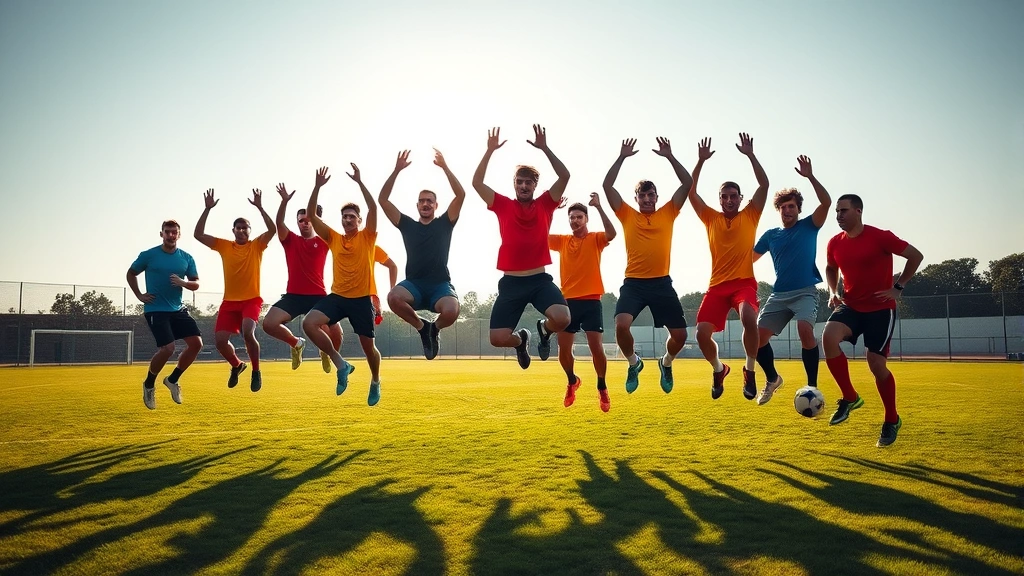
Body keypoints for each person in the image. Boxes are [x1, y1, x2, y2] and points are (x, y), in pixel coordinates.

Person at [823, 194, 923, 447]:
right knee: (828, 337)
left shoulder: (880, 236)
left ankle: (891, 419)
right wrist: (833, 292)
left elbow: (916, 256)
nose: (838, 216)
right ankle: (850, 397)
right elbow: (830, 268)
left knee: (876, 366)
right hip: (852, 306)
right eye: (836, 212)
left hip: (881, 309)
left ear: (858, 211)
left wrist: (898, 287)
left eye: (843, 211)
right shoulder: (835, 242)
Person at [471, 125, 570, 369]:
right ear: (514, 184)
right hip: (511, 283)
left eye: (528, 182)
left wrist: (545, 148)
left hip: (538, 281)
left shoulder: (546, 204)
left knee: (562, 318)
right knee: (497, 339)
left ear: (535, 185)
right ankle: (520, 341)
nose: (524, 186)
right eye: (519, 182)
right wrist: (489, 151)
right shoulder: (502, 205)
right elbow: (476, 182)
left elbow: (565, 176)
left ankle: (544, 330)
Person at [602, 137, 692, 394]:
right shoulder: (627, 214)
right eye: (642, 195)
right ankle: (634, 363)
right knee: (621, 325)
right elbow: (607, 185)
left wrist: (670, 157)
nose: (647, 199)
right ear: (637, 198)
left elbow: (687, 183)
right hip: (634, 284)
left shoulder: (668, 212)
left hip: (662, 283)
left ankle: (666, 363)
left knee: (681, 337)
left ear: (656, 197)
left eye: (651, 195)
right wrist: (621, 157)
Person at [688, 134, 769, 401]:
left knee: (748, 317)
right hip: (717, 287)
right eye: (724, 196)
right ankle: (719, 369)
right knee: (700, 334)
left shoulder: (751, 214)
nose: (729, 200)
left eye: (734, 196)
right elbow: (690, 191)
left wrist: (750, 155)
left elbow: (764, 184)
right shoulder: (710, 217)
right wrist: (700, 161)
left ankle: (749, 371)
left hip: (744, 282)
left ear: (740, 198)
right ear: (720, 199)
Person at [750, 155, 832, 405]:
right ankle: (773, 379)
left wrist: (810, 176)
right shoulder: (770, 235)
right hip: (779, 295)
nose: (787, 210)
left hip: (806, 291)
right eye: (783, 207)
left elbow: (826, 202)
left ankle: (812, 389)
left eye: (792, 207)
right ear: (779, 210)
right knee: (756, 339)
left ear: (798, 209)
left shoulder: (810, 225)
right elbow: (747, 261)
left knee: (805, 331)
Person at [301, 165, 385, 406]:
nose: (347, 220)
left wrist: (360, 182)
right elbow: (311, 214)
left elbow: (373, 208)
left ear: (359, 221)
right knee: (309, 323)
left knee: (369, 349)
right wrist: (317, 186)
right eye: (344, 217)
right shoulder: (333, 238)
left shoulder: (367, 237)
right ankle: (341, 364)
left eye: (352, 217)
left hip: (361, 300)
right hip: (337, 297)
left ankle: (376, 380)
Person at [379, 148, 465, 360]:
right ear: (417, 205)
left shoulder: (445, 223)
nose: (425, 204)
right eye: (422, 201)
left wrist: (445, 167)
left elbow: (461, 195)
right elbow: (383, 200)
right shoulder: (407, 224)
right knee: (393, 297)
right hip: (414, 285)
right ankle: (422, 328)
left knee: (452, 311)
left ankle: (434, 329)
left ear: (436, 205)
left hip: (440, 285)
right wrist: (397, 170)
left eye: (430, 201)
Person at [194, 188, 275, 392]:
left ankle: (256, 372)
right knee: (220, 342)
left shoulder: (257, 246)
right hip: (229, 302)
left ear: (249, 230)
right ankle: (237, 365)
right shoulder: (224, 246)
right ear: (233, 231)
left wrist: (260, 207)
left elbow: (272, 230)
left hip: (251, 300)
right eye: (237, 228)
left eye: (244, 228)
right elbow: (198, 235)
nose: (241, 231)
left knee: (249, 332)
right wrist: (207, 209)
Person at [261, 184, 342, 372]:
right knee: (269, 324)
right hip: (294, 296)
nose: (305, 223)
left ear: (313, 221)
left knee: (336, 332)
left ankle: (327, 352)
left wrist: (318, 188)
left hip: (318, 296)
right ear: (297, 223)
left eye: (308, 220)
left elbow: (321, 223)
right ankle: (296, 343)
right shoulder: (291, 240)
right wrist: (284, 201)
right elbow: (279, 223)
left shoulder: (323, 241)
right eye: (301, 220)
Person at [548, 193, 616, 411]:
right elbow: (539, 235)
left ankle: (602, 387)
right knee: (563, 350)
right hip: (567, 303)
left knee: (596, 347)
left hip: (591, 301)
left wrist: (599, 206)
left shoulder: (595, 238)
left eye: (579, 217)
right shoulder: (562, 241)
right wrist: (552, 210)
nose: (574, 220)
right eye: (571, 217)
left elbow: (612, 233)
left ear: (586, 219)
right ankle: (571, 381)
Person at [127, 220, 202, 410]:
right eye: (167, 232)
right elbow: (131, 273)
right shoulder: (149, 255)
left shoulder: (186, 258)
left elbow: (196, 284)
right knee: (168, 348)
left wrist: (182, 283)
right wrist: (139, 295)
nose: (170, 235)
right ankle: (149, 384)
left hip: (178, 309)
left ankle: (172, 379)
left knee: (196, 344)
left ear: (179, 234)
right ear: (161, 234)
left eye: (174, 232)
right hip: (156, 309)